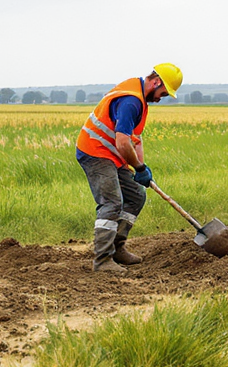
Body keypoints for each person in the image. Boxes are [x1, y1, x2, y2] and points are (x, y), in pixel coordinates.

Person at [75, 63, 182, 272]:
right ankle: (102, 260)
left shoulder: (140, 99)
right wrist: (139, 168)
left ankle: (117, 248)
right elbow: (122, 142)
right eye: (164, 92)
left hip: (113, 155)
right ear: (156, 81)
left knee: (135, 196)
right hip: (95, 152)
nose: (162, 97)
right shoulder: (131, 101)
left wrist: (140, 168)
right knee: (111, 202)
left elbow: (135, 139)